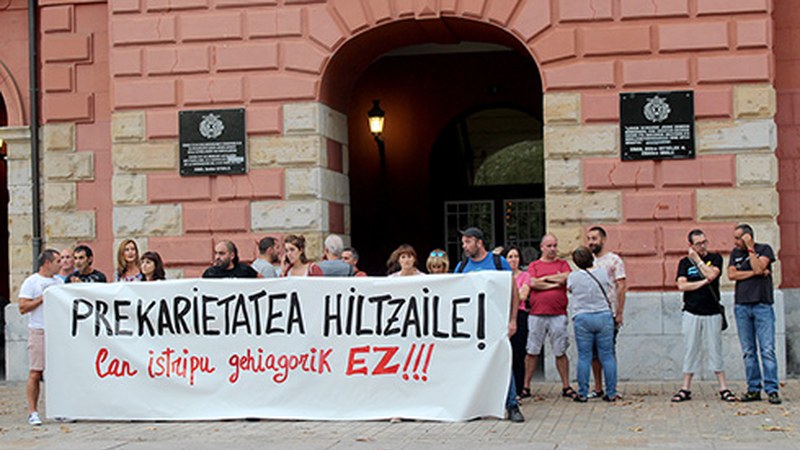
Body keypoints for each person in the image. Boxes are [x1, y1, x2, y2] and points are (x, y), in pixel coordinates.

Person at [454, 227, 524, 423]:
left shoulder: (498, 263)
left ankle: (512, 404)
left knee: (503, 362)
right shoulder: (462, 266)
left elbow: (513, 291)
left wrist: (512, 319)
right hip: (471, 327)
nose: (465, 246)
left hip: (496, 323)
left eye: (468, 242)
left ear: (479, 242)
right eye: (463, 243)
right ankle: (475, 406)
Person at [672, 229, 734, 403]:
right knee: (690, 348)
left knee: (715, 349)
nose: (703, 245)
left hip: (712, 311)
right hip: (691, 311)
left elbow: (713, 274)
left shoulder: (715, 258)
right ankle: (686, 388)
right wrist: (702, 282)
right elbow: (682, 286)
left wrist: (698, 261)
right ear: (691, 245)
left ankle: (723, 387)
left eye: (704, 242)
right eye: (699, 243)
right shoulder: (684, 263)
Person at [728, 224, 781, 404]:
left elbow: (760, 268)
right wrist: (754, 272)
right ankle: (753, 389)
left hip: (762, 305)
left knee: (767, 350)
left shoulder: (764, 249)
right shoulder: (735, 254)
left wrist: (751, 250)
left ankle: (772, 389)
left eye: (738, 238)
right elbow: (732, 275)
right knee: (748, 351)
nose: (735, 242)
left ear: (747, 237)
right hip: (742, 306)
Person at [522, 234, 575, 399]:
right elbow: (532, 282)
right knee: (532, 351)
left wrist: (544, 279)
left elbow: (567, 278)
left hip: (558, 314)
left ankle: (566, 386)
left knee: (560, 350)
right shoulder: (534, 265)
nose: (553, 249)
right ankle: (526, 386)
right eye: (549, 246)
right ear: (542, 247)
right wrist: (554, 284)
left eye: (555, 245)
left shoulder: (563, 264)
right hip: (536, 314)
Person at [567, 246, 618, 403]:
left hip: (582, 317)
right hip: (603, 315)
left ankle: (582, 393)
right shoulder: (602, 273)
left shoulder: (573, 277)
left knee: (584, 356)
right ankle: (611, 393)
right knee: (607, 355)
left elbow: (570, 290)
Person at [18, 249, 62, 426]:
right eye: (58, 261)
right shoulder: (32, 282)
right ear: (47, 263)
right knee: (36, 372)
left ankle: (59, 409)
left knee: (58, 373)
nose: (61, 264)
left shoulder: (59, 281)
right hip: (39, 330)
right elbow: (22, 307)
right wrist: (41, 299)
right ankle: (33, 411)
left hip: (57, 331)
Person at [585, 226, 626, 399]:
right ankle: (598, 387)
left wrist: (619, 312)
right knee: (594, 354)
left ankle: (612, 388)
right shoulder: (586, 261)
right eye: (588, 239)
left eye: (594, 238)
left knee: (608, 352)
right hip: (589, 313)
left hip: (608, 313)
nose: (591, 242)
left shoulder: (613, 260)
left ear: (603, 239)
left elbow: (621, 286)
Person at [504, 246, 531, 398]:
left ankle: (519, 390)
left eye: (516, 256)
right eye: (510, 256)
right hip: (503, 316)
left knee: (518, 354)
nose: (513, 260)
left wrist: (509, 295)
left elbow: (523, 295)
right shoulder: (501, 276)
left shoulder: (525, 276)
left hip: (519, 315)